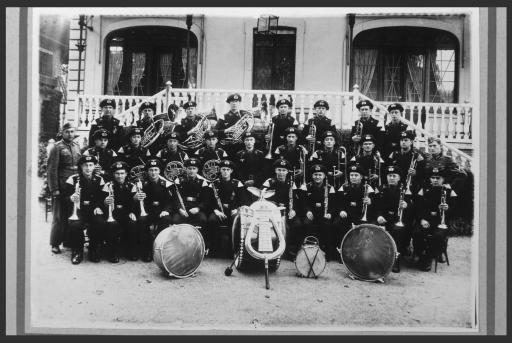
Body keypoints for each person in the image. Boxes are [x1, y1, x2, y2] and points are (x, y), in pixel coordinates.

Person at [412, 167, 457, 271]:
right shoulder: (423, 190)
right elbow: (418, 208)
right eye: (433, 178)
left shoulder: (449, 191)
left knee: (438, 235)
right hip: (426, 220)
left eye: (438, 178)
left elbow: (457, 211)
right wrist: (422, 219)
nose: (435, 180)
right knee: (416, 233)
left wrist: (448, 208)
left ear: (443, 179)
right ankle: (421, 254)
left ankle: (429, 257)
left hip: (441, 222)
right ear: (430, 179)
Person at [64, 155, 107, 265]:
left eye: (91, 165)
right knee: (75, 224)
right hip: (78, 209)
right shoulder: (72, 179)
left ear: (94, 167)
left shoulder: (99, 179)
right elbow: (64, 198)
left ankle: (94, 249)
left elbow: (102, 196)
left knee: (100, 222)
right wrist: (70, 198)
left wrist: (98, 206)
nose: (88, 168)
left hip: (93, 209)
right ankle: (77, 251)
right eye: (85, 165)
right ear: (81, 167)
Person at [47, 122, 82, 253]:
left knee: (70, 213)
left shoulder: (77, 146)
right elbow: (51, 169)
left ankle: (67, 240)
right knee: (58, 216)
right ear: (62, 132)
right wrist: (54, 188)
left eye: (72, 131)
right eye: (67, 131)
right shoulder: (57, 147)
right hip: (61, 186)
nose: (70, 134)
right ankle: (55, 244)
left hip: (73, 186)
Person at [133, 158, 173, 262]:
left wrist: (166, 210)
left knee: (166, 219)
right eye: (151, 170)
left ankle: (159, 249)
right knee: (142, 220)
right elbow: (137, 201)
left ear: (159, 171)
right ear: (147, 171)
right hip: (148, 212)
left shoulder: (166, 184)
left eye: (156, 170)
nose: (153, 172)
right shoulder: (142, 184)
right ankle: (146, 250)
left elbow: (170, 202)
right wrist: (136, 197)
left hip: (161, 211)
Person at [375, 165, 414, 273]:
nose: (391, 178)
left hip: (399, 219)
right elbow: (376, 206)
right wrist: (379, 216)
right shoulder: (380, 189)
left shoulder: (406, 190)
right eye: (389, 176)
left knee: (398, 230)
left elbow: (413, 209)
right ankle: (377, 256)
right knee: (372, 226)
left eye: (394, 176)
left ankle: (395, 258)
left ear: (399, 178)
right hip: (384, 218)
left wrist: (407, 206)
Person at [261, 159, 302, 259]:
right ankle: (275, 250)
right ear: (275, 170)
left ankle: (291, 251)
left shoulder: (291, 183)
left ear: (287, 172)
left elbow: (296, 200)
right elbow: (262, 198)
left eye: (283, 170)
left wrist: (294, 210)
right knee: (284, 227)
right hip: (271, 212)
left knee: (298, 224)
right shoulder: (269, 182)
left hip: (287, 211)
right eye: (279, 170)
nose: (281, 173)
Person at [206, 160, 246, 257]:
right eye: (223, 169)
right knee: (212, 220)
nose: (225, 172)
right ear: (220, 170)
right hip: (218, 211)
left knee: (237, 220)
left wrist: (237, 209)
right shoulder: (214, 183)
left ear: (231, 171)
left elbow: (243, 201)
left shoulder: (237, 183)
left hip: (233, 211)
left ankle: (234, 250)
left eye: (228, 169)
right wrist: (216, 211)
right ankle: (213, 249)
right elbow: (209, 201)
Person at [101, 161, 138, 262]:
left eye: (122, 173)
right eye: (117, 173)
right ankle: (111, 253)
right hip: (112, 214)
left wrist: (132, 212)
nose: (120, 176)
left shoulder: (131, 185)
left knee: (132, 223)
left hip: (126, 213)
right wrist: (105, 202)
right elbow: (102, 201)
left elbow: (133, 203)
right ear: (113, 174)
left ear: (126, 174)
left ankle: (131, 251)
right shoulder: (108, 185)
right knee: (112, 225)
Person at [298, 164, 337, 260]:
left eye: (320, 175)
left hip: (324, 214)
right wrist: (307, 211)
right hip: (312, 214)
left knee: (327, 226)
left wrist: (330, 213)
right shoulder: (306, 187)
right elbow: (303, 203)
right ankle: (305, 251)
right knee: (306, 224)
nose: (317, 177)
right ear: (312, 176)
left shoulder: (330, 188)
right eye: (315, 174)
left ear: (324, 176)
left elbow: (333, 204)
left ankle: (328, 253)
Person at [333, 163, 376, 246]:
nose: (353, 177)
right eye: (351, 175)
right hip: (347, 215)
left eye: (356, 175)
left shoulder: (368, 188)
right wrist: (341, 210)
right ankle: (340, 247)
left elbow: (375, 204)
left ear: (361, 177)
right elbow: (338, 202)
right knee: (336, 223)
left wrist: (370, 202)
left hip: (361, 215)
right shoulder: (344, 187)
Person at [171, 158, 211, 249]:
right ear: (186, 169)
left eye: (194, 168)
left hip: (196, 208)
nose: (191, 171)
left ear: (197, 170)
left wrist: (198, 208)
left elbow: (206, 201)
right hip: (182, 208)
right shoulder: (179, 181)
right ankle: (176, 247)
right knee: (175, 220)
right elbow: (174, 199)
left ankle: (201, 246)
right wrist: (179, 209)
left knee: (203, 219)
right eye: (189, 168)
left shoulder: (203, 182)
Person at [388, 130, 426, 196]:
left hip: (412, 186)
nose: (403, 142)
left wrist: (416, 173)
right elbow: (388, 170)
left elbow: (423, 173)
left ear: (411, 142)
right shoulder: (393, 155)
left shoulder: (417, 156)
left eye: (406, 140)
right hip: (396, 185)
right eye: (402, 140)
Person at [215, 93, 251, 158]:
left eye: (236, 102)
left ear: (239, 103)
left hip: (241, 146)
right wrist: (226, 130)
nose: (234, 104)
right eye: (232, 102)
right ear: (229, 103)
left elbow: (249, 131)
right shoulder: (223, 116)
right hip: (227, 147)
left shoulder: (244, 116)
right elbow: (215, 131)